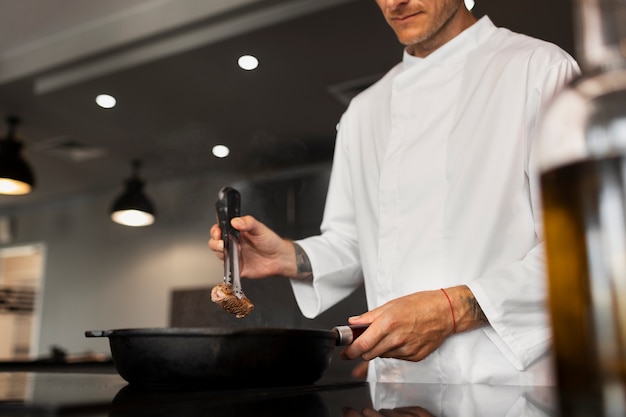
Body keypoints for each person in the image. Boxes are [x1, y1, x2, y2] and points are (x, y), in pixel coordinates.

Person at [209, 0, 580, 385]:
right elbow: (356, 241)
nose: (394, 2)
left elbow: (581, 247)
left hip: (513, 384)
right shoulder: (363, 111)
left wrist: (452, 310)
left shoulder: (539, 69)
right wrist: (287, 256)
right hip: (398, 384)